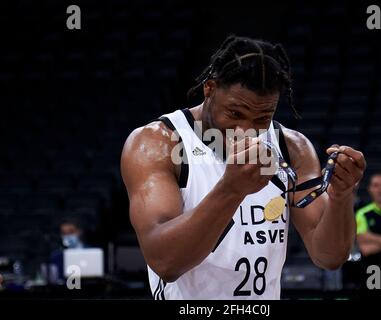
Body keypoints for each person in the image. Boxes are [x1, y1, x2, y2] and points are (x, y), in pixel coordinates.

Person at [121, 36, 366, 299]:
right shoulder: (156, 143)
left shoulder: (292, 147)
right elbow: (165, 263)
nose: (246, 131)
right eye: (235, 114)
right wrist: (230, 190)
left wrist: (341, 197)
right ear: (209, 89)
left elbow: (328, 257)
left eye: (262, 118)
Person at [49, 217, 86, 282]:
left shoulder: (92, 252)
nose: (68, 236)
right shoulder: (56, 257)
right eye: (64, 233)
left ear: (79, 232)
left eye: (71, 232)